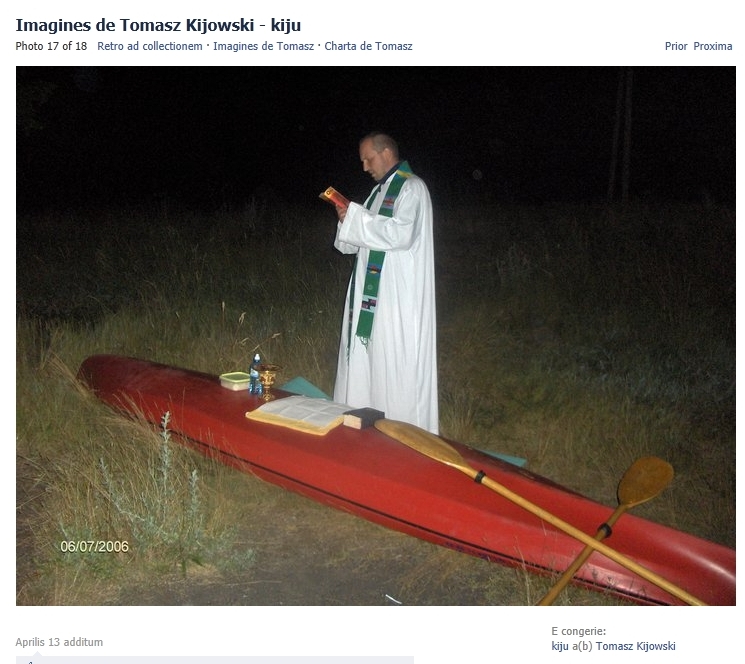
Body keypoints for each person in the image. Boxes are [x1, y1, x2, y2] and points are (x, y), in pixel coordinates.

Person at [332, 132, 439, 434]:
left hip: (397, 298)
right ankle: (365, 427)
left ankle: (405, 431)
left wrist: (357, 219)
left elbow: (399, 234)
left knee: (396, 361)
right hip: (371, 299)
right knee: (370, 362)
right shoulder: (376, 194)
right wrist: (347, 220)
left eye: (369, 159)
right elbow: (353, 245)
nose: (365, 167)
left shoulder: (412, 188)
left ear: (387, 152)